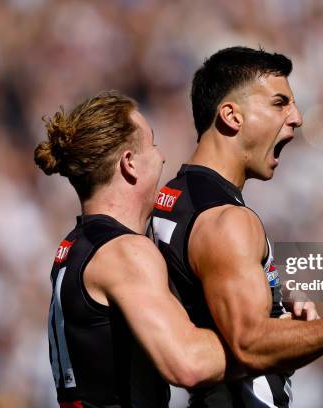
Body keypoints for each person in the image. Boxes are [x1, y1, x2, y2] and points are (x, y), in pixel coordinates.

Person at [151, 46, 323, 407]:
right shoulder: (227, 220)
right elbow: (249, 344)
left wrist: (277, 312)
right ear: (231, 115)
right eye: (279, 103)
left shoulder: (175, 197)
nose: (297, 117)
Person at [34, 91, 238, 408]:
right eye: (153, 144)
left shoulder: (78, 245)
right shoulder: (125, 251)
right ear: (129, 163)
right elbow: (188, 365)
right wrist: (265, 334)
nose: (163, 157)